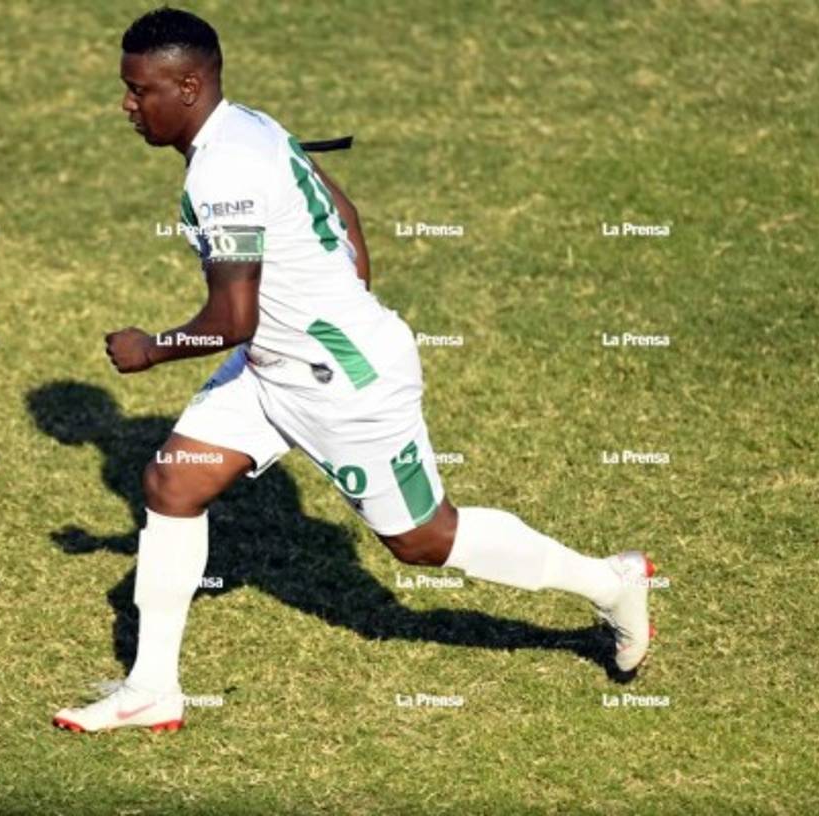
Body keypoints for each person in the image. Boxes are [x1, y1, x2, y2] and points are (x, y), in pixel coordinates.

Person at [54, 7, 655, 734]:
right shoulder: (248, 122)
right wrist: (344, 293)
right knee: (172, 482)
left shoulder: (222, 172)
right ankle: (153, 688)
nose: (126, 104)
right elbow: (343, 208)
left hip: (342, 384)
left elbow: (230, 319)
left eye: (138, 90)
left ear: (187, 86)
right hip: (275, 370)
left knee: (423, 542)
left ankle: (609, 582)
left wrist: (148, 348)